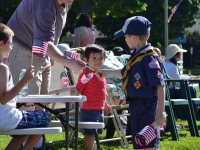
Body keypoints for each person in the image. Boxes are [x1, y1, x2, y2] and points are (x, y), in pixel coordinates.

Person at [7, 0, 86, 148]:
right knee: (28, 105)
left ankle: (36, 146)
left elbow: (48, 34)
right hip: (22, 50)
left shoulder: (66, 2)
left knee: (41, 108)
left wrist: (51, 55)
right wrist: (66, 61)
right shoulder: (44, 3)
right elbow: (44, 40)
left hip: (39, 51)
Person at [96, 16, 166, 149]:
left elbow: (160, 85)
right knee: (138, 141)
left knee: (148, 141)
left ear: (134, 37)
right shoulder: (135, 56)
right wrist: (106, 73)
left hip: (147, 106)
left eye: (126, 36)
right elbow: (125, 72)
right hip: (135, 105)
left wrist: (161, 111)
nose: (125, 39)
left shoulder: (149, 58)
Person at [0, 23, 50, 150]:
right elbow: (3, 98)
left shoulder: (3, 67)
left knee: (27, 125)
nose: (11, 48)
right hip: (6, 119)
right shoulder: (2, 68)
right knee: (45, 117)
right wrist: (24, 80)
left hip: (6, 117)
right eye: (10, 43)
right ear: (1, 44)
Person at [70, 44, 112, 150]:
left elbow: (102, 93)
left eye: (100, 58)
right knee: (89, 134)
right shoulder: (86, 75)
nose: (97, 61)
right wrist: (75, 93)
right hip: (89, 109)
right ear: (86, 60)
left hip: (99, 110)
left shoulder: (101, 75)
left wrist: (106, 105)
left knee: (94, 134)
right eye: (94, 58)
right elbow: (79, 89)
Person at [164, 44, 197, 119]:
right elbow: (179, 84)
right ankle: (189, 114)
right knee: (191, 89)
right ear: (176, 55)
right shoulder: (172, 66)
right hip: (170, 92)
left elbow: (179, 77)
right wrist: (191, 81)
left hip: (168, 91)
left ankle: (189, 114)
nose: (181, 55)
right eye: (179, 53)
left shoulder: (169, 64)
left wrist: (192, 78)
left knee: (190, 88)